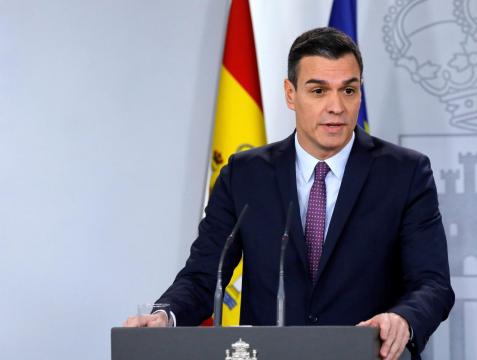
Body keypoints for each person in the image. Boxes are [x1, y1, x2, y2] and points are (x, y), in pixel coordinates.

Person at [124, 27, 454, 360]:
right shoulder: (245, 175)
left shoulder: (404, 173)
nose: (336, 106)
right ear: (290, 93)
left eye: (349, 90)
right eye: (319, 90)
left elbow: (432, 283)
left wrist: (402, 320)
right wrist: (165, 316)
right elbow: (204, 275)